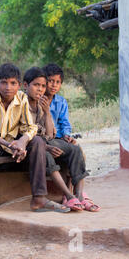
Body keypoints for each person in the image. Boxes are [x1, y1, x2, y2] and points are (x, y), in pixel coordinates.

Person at [0, 63, 69, 213]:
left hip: (14, 142)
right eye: (4, 83)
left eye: (13, 83)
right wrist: (9, 144)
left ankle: (39, 198)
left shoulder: (21, 98)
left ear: (19, 85)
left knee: (38, 141)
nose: (8, 87)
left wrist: (22, 141)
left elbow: (30, 127)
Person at [42, 63, 100, 212]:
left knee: (75, 148)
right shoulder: (37, 99)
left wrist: (68, 136)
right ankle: (68, 195)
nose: (54, 85)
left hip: (60, 140)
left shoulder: (61, 102)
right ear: (44, 81)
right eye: (50, 81)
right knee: (49, 153)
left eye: (58, 82)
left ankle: (79, 195)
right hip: (43, 140)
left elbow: (65, 123)